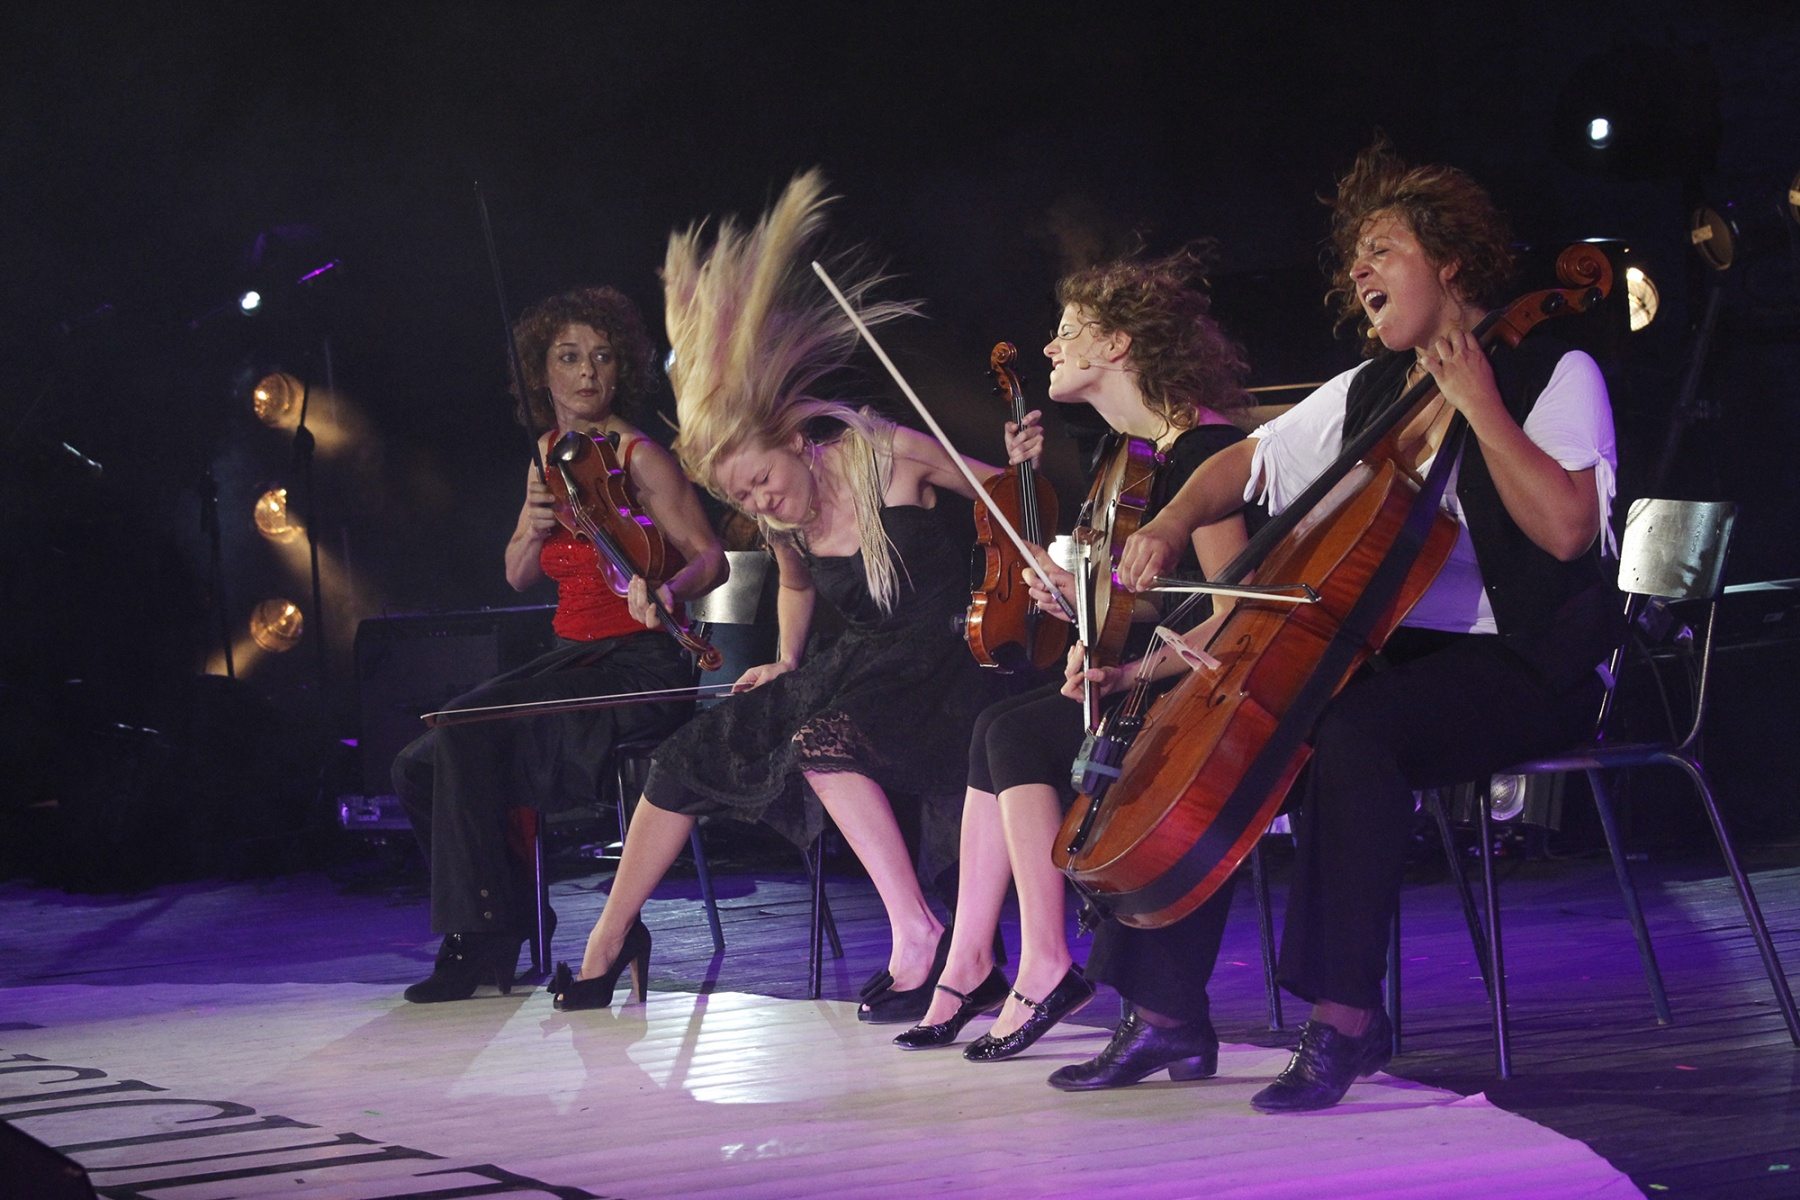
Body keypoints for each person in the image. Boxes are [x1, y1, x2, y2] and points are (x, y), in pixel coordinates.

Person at [1115, 138, 1620, 1109]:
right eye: (1356, 258)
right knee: (1254, 714)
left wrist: (1482, 406)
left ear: (1451, 260)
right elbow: (1246, 462)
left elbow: (1566, 531)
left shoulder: (1557, 368)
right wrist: (1172, 521)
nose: (1359, 272)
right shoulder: (1375, 388)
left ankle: (1345, 1016)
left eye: (1382, 249)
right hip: (1414, 658)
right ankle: (1164, 1006)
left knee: (1353, 731)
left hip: (1535, 660)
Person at [555, 171, 1015, 1016]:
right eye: (743, 498)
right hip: (863, 663)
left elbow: (1004, 497)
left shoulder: (887, 456)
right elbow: (796, 585)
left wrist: (1019, 462)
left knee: (821, 736)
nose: (760, 502)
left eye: (762, 480)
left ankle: (917, 932)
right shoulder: (779, 516)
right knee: (689, 754)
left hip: (949, 661)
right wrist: (785, 657)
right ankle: (608, 942)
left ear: (798, 442)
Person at [894, 245, 1260, 1070]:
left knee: (1018, 734)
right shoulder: (1130, 456)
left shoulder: (1203, 452)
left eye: (1068, 331)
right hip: (1163, 672)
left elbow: (1233, 619)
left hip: (1210, 691)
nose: (1050, 347)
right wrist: (1078, 598)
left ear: (1118, 344)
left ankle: (1043, 961)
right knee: (997, 723)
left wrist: (1131, 672)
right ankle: (972, 957)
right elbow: (1155, 601)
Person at [393, 285, 726, 1003]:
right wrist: (532, 525)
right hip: (571, 661)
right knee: (416, 765)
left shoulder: (639, 457)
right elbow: (518, 574)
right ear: (540, 374)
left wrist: (669, 589)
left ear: (621, 368)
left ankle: (480, 939)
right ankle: (509, 917)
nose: (586, 373)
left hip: (638, 668)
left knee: (466, 731)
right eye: (568, 358)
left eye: (601, 357)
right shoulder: (546, 455)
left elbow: (711, 557)